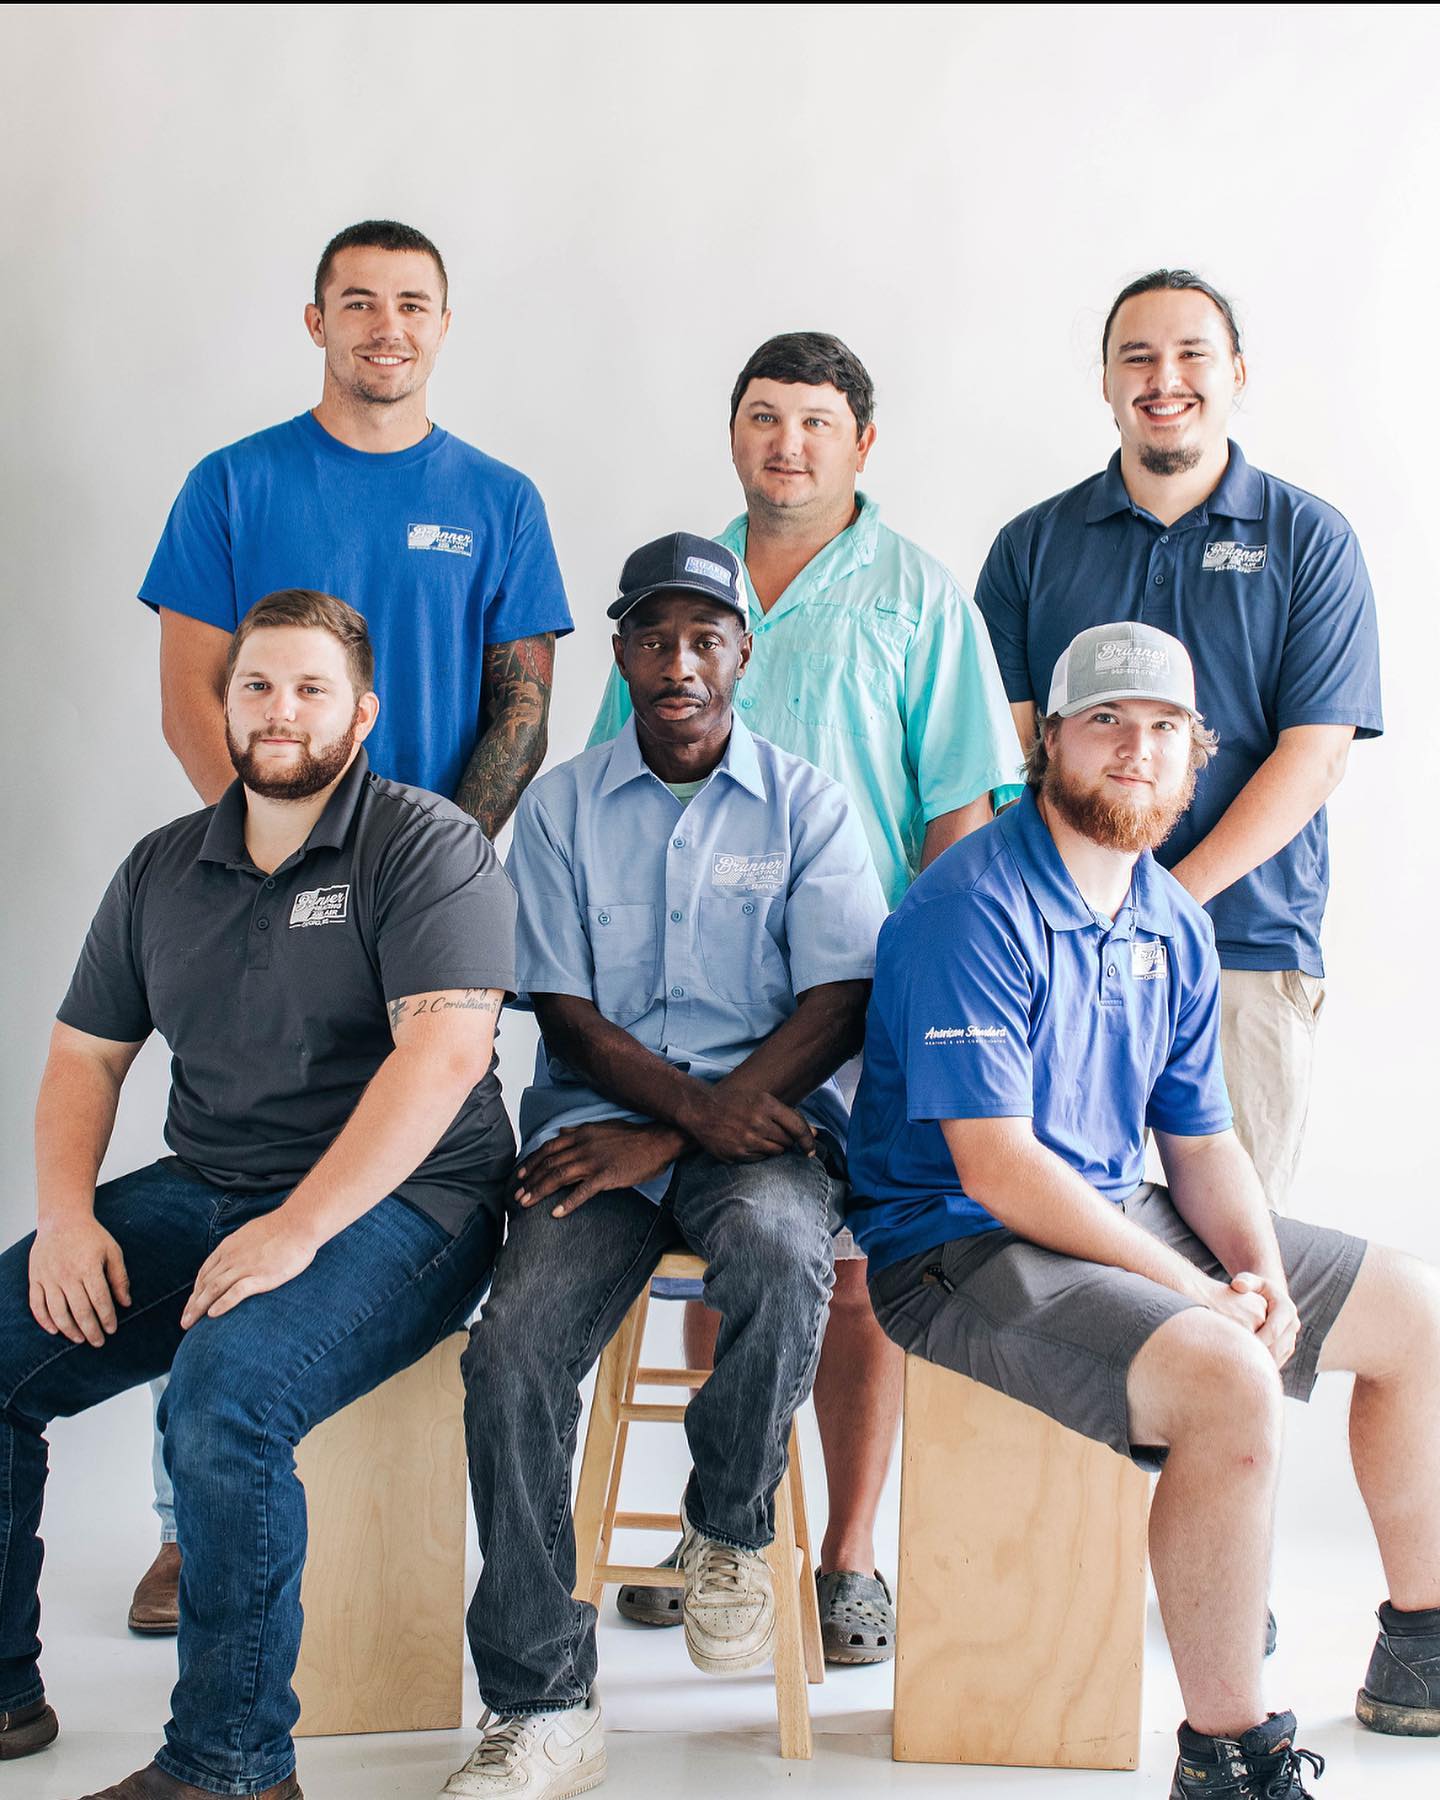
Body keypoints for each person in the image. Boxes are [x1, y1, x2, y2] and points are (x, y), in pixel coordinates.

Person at [847, 621, 1440, 1800]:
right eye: (1107, 721)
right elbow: (1001, 1169)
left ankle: (1419, 1646)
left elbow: (1204, 1139)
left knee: (1414, 1312)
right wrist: (1203, 1299)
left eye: (1165, 728)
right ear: (1049, 741)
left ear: (1195, 755)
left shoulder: (1168, 916)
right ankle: (1230, 1754)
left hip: (1110, 1212)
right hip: (954, 1247)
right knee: (1226, 1377)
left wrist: (1259, 1274)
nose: (1137, 749)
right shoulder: (971, 904)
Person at [127, 217, 570, 1632]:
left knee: (400, 1155)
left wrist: (420, 870)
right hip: (263, 878)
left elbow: (521, 709)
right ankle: (189, 1523)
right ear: (313, 319)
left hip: (425, 897)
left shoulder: (497, 497)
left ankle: (331, 1521)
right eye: (360, 302)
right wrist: (280, 864)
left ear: (446, 325)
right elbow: (197, 692)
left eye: (415, 304)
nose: (389, 325)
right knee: (232, 1150)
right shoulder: (234, 483)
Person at [0, 590, 518, 1798]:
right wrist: (68, 1219)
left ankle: (229, 1767)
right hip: (213, 1186)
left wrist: (298, 1228)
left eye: (309, 690)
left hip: (415, 1208)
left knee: (226, 1397)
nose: (280, 713)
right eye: (256, 687)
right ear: (224, 706)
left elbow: (442, 1058)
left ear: (363, 713)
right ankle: (8, 1692)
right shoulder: (162, 868)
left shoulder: (426, 845)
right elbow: (85, 1055)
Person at [589, 332, 1019, 1662]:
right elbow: (611, 790)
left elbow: (958, 811)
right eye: (765, 418)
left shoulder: (919, 598)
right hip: (690, 999)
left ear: (862, 446)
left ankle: (844, 1560)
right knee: (728, 1242)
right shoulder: (681, 588)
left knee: (845, 1275)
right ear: (735, 435)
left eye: (817, 422)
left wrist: (930, 994)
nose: (789, 443)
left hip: (854, 999)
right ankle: (721, 1522)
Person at [441, 534, 888, 1799]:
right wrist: (666, 1124)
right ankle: (541, 1701)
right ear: (624, 652)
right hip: (602, 1131)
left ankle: (729, 1529)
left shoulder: (807, 802)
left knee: (785, 1250)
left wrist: (681, 1128)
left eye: (707, 637)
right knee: (512, 1353)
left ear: (746, 651)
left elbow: (838, 1001)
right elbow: (568, 1018)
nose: (680, 663)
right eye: (654, 638)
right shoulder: (567, 804)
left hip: (764, 1126)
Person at [974, 269, 1382, 1217]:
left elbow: (1314, 755)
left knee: (1233, 1261)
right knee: (1053, 1260)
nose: (1165, 377)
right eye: (1137, 357)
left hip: (1240, 946)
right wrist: (1087, 912)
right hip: (1053, 948)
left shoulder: (1309, 541)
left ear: (1235, 370)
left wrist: (1162, 903)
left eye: (1191, 354)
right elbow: (1017, 752)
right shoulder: (1032, 547)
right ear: (1108, 383)